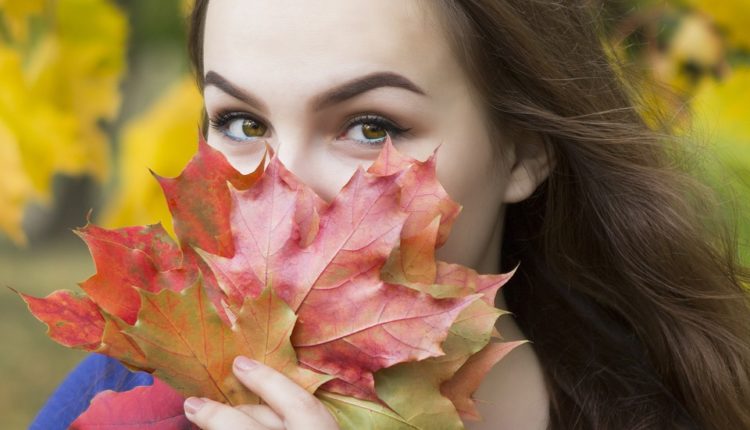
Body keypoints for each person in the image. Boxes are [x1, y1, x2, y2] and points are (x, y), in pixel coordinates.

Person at [32, 0, 750, 429]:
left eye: (371, 126)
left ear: (525, 150)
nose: (285, 193)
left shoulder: (676, 409)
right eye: (244, 123)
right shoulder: (125, 394)